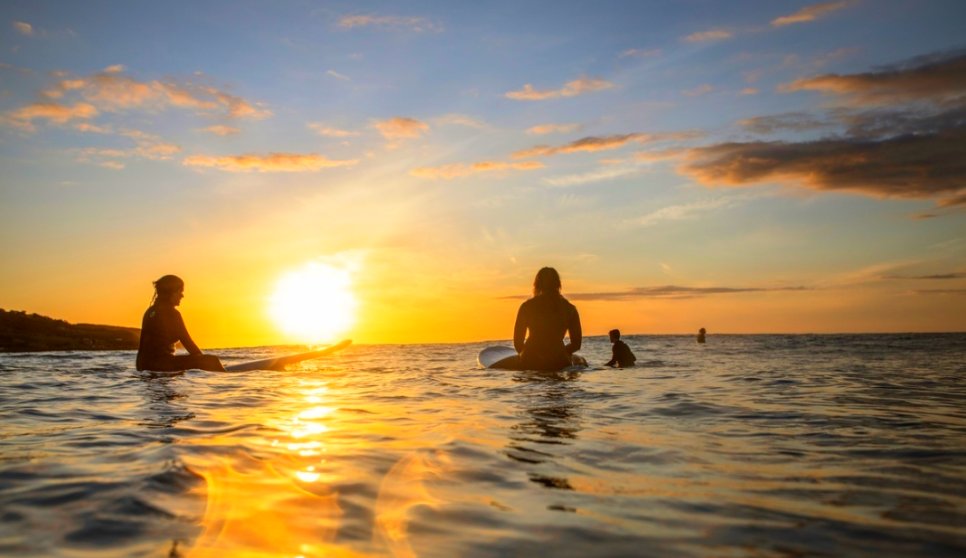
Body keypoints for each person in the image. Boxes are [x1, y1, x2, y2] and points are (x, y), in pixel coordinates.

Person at [497, 267, 582, 371]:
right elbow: (576, 344)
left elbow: (518, 343)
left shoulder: (527, 307)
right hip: (558, 360)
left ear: (536, 285)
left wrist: (527, 356)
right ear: (558, 284)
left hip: (531, 359)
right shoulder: (570, 309)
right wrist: (562, 352)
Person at [136, 275, 226, 372]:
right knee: (212, 361)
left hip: (142, 365)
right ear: (172, 292)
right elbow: (188, 344)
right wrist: (204, 362)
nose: (182, 295)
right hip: (161, 365)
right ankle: (225, 384)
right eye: (180, 291)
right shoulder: (172, 313)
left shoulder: (149, 312)